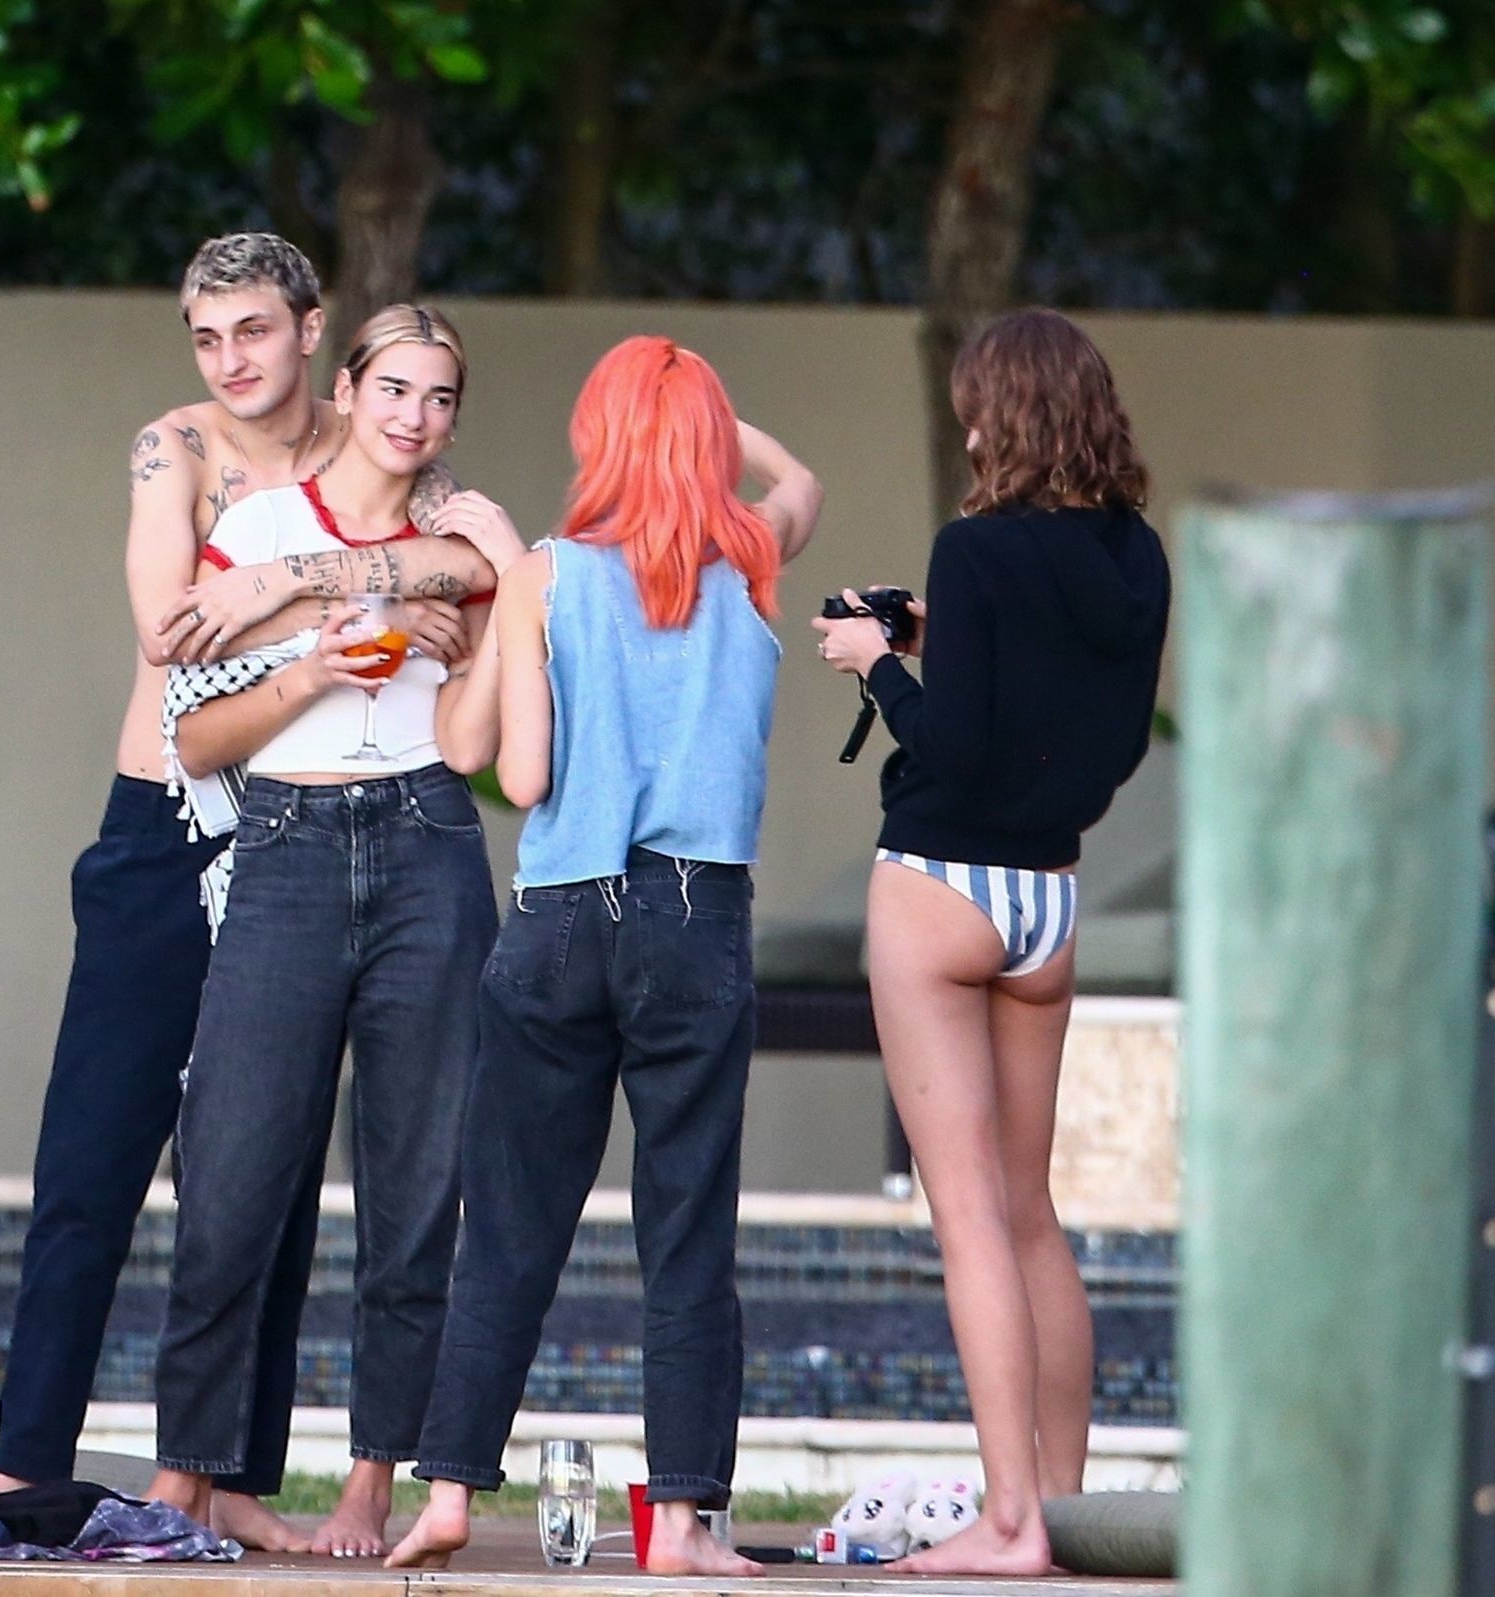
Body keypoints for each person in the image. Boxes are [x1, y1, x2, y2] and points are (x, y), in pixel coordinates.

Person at [0, 235, 488, 1560]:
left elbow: (467, 569)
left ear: (314, 330)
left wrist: (307, 585)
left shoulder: (383, 433)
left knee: (269, 1162)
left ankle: (232, 1473)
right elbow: (173, 631)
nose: (231, 360)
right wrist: (347, 596)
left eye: (253, 330)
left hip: (311, 828)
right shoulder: (178, 451)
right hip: (169, 820)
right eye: (206, 337)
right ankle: (25, 1454)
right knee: (97, 1145)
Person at [386, 335, 822, 1576]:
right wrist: (720, 432)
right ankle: (679, 1520)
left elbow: (519, 776)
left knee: (508, 1222)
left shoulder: (542, 575)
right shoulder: (750, 558)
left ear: (599, 440)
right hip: (698, 914)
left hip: (562, 914)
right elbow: (801, 483)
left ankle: (450, 1494)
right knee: (687, 1225)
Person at [142, 304, 526, 1559]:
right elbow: (193, 737)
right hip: (287, 844)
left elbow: (484, 706)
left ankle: (372, 1480)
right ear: (347, 390)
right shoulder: (257, 534)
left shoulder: (468, 541)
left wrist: (469, 625)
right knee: (229, 1170)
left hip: (429, 841)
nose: (416, 415)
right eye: (395, 388)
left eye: (440, 397)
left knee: (417, 1186)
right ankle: (185, 1477)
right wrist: (315, 665)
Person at [811, 308, 1169, 1576]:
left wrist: (876, 662)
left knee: (965, 1219)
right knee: (1029, 1216)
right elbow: (1085, 715)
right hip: (1049, 897)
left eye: (974, 413)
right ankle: (1056, 1512)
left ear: (1001, 418)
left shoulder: (976, 547)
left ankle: (1008, 1522)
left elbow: (953, 747)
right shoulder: (1136, 556)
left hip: (940, 886)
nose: (966, 432)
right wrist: (933, 638)